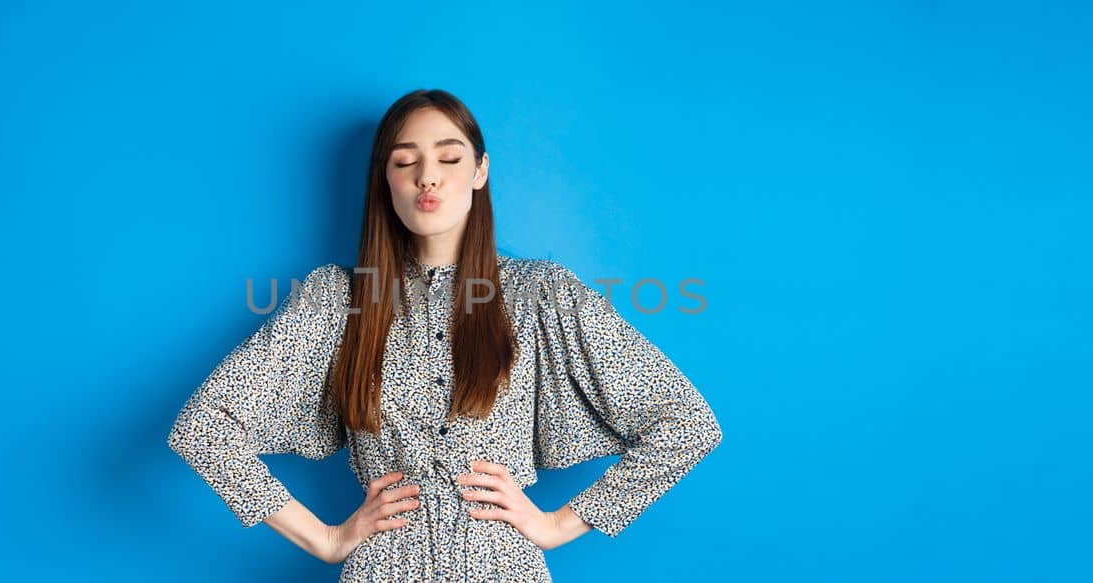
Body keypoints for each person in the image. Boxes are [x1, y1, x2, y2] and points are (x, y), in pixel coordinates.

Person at [168, 88, 723, 581]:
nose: (427, 176)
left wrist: (558, 524)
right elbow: (204, 430)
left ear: (480, 170)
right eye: (405, 161)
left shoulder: (540, 293)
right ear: (385, 181)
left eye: (449, 158)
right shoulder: (337, 300)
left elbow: (686, 425)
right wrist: (326, 539)